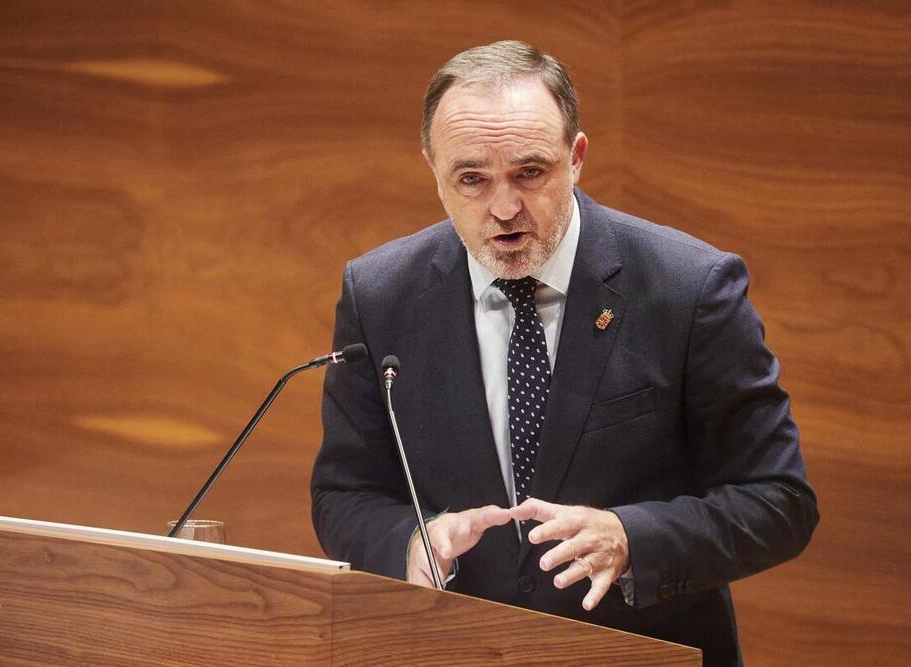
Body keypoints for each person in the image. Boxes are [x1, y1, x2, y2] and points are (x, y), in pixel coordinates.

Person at [311, 40, 818, 665]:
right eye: (471, 178)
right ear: (432, 170)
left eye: (530, 172)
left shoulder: (689, 289)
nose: (503, 208)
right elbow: (345, 492)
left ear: (576, 158)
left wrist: (634, 538)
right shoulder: (381, 294)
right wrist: (409, 542)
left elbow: (779, 500)